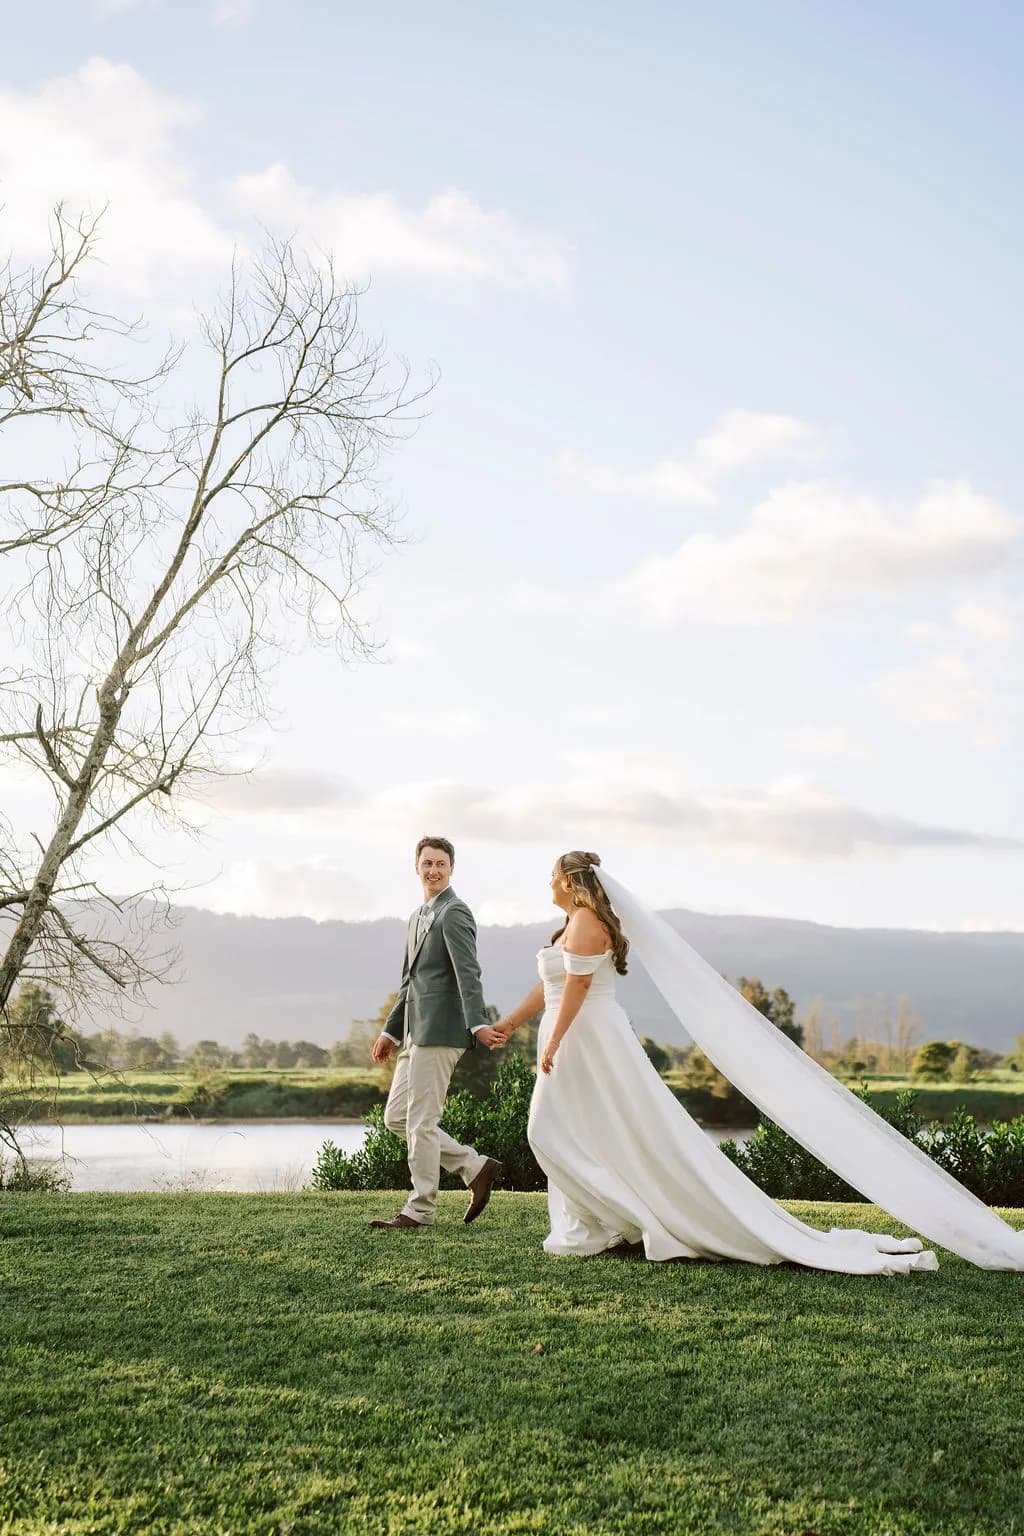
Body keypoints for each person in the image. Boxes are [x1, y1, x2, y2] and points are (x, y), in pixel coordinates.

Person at [493, 850, 1022, 1274]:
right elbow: (552, 986)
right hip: (574, 1036)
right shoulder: (568, 927)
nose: (548, 883)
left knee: (547, 1129)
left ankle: (623, 1216)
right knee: (578, 1129)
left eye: (552, 876)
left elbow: (579, 988)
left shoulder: (586, 923)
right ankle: (606, 1220)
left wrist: (555, 1042)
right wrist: (513, 1025)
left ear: (571, 881)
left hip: (588, 1040)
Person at [369, 836, 503, 1230]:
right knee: (397, 1118)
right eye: (427, 863)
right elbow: (408, 983)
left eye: (441, 864)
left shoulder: (455, 912)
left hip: (442, 1031)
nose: (433, 870)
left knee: (421, 1122)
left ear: (451, 868)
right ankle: (474, 1166)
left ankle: (420, 1209)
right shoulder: (416, 917)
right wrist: (390, 1033)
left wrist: (477, 1022)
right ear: (416, 867)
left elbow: (469, 972)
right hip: (413, 1033)